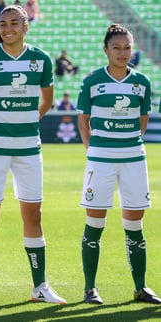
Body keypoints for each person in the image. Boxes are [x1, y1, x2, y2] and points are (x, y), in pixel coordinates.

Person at [0, 5, 66, 306]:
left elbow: (47, 100)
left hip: (29, 148)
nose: (8, 28)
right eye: (3, 23)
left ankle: (40, 286)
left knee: (34, 214)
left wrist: (29, 123)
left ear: (25, 26)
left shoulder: (41, 59)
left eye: (14, 23)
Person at [77, 23, 161, 305]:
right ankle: (90, 289)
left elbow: (142, 123)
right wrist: (94, 150)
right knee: (94, 223)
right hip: (100, 161)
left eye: (127, 47)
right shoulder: (91, 81)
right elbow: (83, 121)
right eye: (117, 47)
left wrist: (126, 142)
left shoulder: (142, 83)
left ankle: (140, 287)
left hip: (133, 160)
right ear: (106, 50)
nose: (122, 52)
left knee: (135, 225)